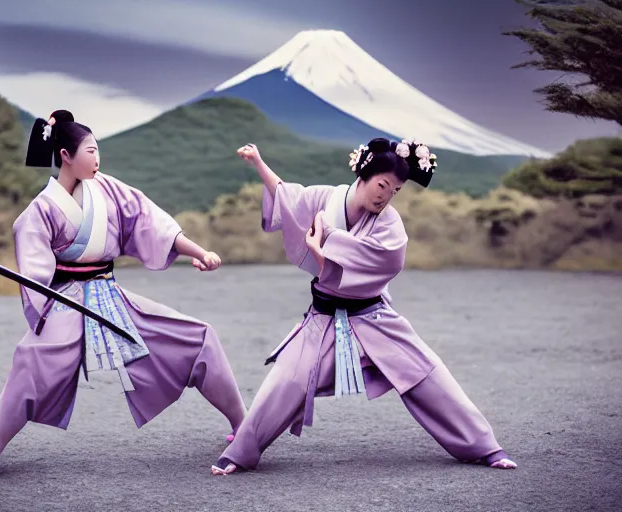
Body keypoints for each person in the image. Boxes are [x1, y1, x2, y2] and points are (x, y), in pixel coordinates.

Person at [210, 138, 517, 476]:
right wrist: (258, 161)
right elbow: (287, 195)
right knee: (287, 380)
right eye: (382, 184)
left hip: (373, 317)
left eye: (395, 190)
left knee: (426, 374)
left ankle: (485, 447)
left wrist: (321, 247)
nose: (385, 195)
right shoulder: (324, 200)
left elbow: (385, 261)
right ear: (363, 177)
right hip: (324, 318)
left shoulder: (389, 224)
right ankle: (239, 453)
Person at [0, 110, 246, 478]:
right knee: (30, 363)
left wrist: (199, 252)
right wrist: (23, 277)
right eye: (90, 151)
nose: (97, 159)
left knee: (198, 338)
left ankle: (244, 426)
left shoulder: (109, 190)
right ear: (65, 156)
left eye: (98, 151)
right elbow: (34, 262)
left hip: (109, 293)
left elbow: (151, 222)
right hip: (66, 298)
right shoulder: (42, 209)